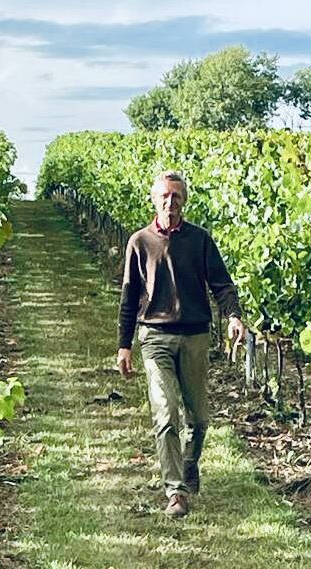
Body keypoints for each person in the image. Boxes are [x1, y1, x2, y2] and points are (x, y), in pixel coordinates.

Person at [116, 170, 245, 517]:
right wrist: (124, 345)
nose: (170, 202)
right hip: (155, 336)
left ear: (184, 200)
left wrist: (233, 315)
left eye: (176, 196)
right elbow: (129, 297)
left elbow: (222, 284)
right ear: (154, 200)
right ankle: (175, 492)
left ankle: (189, 463)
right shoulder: (139, 242)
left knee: (199, 418)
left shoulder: (199, 240)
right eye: (164, 196)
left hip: (195, 337)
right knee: (166, 412)